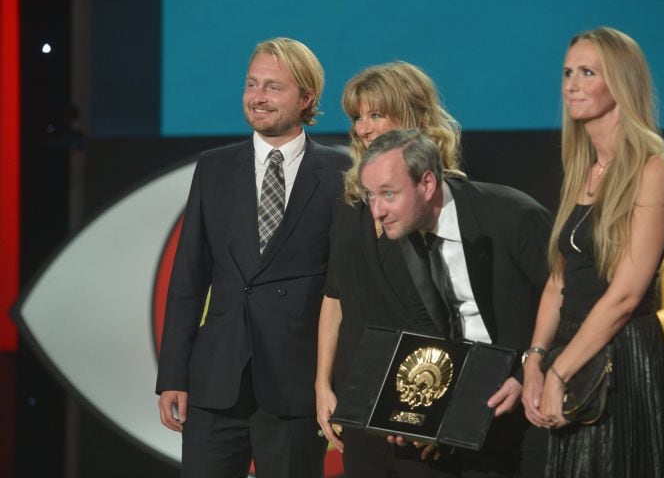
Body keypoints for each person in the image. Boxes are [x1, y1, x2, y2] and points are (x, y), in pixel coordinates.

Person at [155, 37, 349, 478]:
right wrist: (172, 375)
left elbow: (343, 289)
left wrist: (333, 381)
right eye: (251, 84)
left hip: (294, 385)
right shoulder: (214, 167)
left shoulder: (340, 175)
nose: (257, 97)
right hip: (216, 383)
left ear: (306, 98)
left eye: (273, 87)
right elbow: (189, 278)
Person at [520, 27, 664, 477]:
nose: (571, 84)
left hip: (621, 359)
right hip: (572, 351)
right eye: (568, 72)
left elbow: (626, 295)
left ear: (621, 83)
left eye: (587, 72)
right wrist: (535, 361)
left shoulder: (652, 170)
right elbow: (558, 280)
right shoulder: (585, 169)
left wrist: (559, 373)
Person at [356, 129, 552, 478]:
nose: (377, 211)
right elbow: (423, 331)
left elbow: (572, 306)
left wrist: (528, 373)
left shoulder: (513, 217)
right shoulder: (396, 237)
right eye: (370, 195)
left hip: (534, 405)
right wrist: (422, 411)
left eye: (388, 194)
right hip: (468, 410)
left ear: (427, 183)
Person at [315, 61, 466, 477]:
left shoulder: (444, 202)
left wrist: (442, 408)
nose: (363, 128)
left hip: (423, 398)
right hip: (358, 396)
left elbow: (462, 314)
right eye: (358, 117)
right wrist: (323, 385)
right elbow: (335, 296)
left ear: (414, 116)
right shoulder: (349, 205)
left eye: (376, 114)